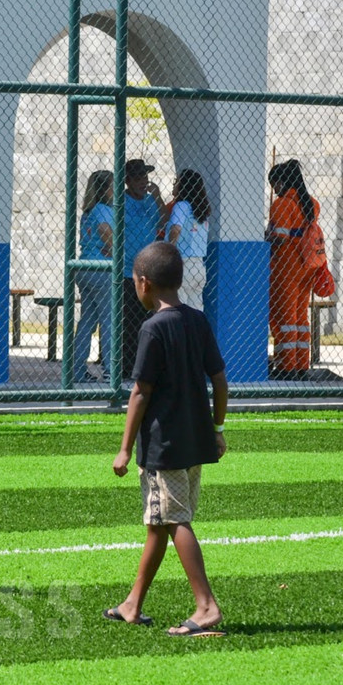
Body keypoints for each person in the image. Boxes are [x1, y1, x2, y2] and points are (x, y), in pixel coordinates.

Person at [109, 241, 228, 637]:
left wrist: (125, 448)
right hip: (196, 441)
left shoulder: (152, 328)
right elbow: (219, 379)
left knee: (175, 520)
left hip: (165, 446)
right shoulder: (197, 320)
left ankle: (206, 606)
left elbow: (140, 392)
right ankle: (132, 604)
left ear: (143, 283)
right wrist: (218, 429)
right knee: (158, 523)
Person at [266, 159, 324, 380]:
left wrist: (267, 236)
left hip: (286, 267)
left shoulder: (282, 205)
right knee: (301, 316)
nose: (274, 190)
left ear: (281, 183)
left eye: (274, 184)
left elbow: (280, 238)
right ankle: (301, 363)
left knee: (284, 316)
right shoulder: (311, 204)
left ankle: (286, 366)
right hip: (307, 267)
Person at [120, 159, 166, 378]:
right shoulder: (121, 202)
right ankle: (124, 367)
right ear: (128, 181)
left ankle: (144, 365)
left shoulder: (150, 201)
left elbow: (164, 221)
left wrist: (157, 196)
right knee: (127, 320)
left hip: (148, 270)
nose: (143, 182)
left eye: (145, 177)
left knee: (147, 319)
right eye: (138, 178)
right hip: (127, 269)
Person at [73, 170, 115, 384]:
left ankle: (77, 369)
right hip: (103, 269)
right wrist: (116, 250)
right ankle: (110, 370)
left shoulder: (88, 211)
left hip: (86, 267)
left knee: (88, 320)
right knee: (109, 320)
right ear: (104, 189)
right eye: (112, 186)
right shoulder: (103, 210)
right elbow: (106, 231)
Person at [166, 169, 212, 309]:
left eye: (176, 182)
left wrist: (168, 250)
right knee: (196, 308)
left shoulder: (181, 206)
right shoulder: (201, 210)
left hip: (182, 261)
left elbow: (176, 229)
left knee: (179, 307)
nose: (174, 185)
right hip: (198, 265)